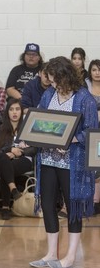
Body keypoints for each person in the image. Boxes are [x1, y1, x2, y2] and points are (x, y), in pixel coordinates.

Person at [29, 56, 98, 268]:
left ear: (65, 76)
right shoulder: (49, 93)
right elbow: (39, 120)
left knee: (73, 206)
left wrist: (70, 140)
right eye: (50, 80)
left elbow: (92, 131)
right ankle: (51, 253)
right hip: (48, 159)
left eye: (55, 79)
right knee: (48, 205)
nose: (52, 84)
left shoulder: (84, 97)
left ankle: (69, 256)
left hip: (73, 161)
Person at [0, 98, 37, 220]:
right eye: (11, 109)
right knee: (3, 160)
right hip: (4, 160)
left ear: (22, 111)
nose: (14, 112)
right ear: (7, 112)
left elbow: (34, 149)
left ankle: (6, 207)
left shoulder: (28, 129)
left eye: (17, 109)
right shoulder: (1, 129)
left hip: (23, 160)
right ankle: (14, 190)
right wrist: (10, 150)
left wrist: (19, 153)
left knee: (5, 170)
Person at [84, 59, 100, 215]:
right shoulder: (84, 88)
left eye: (99, 70)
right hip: (90, 132)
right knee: (92, 167)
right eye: (94, 70)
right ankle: (91, 202)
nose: (97, 73)